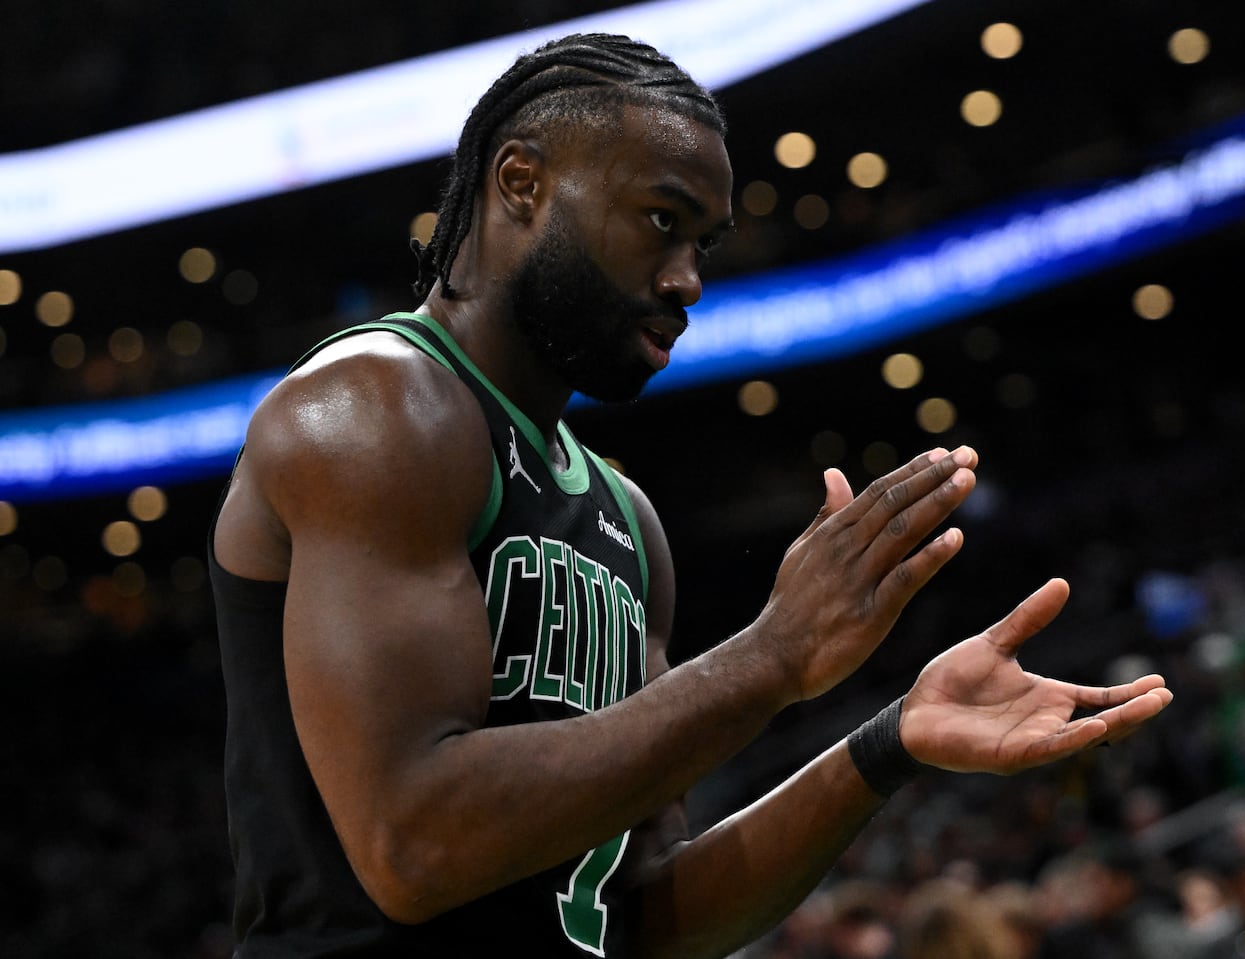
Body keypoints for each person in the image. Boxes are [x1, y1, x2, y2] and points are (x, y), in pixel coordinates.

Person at [209, 32, 1174, 957]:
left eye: (704, 243)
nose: (689, 281)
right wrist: (775, 654)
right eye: (662, 221)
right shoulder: (376, 407)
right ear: (521, 184)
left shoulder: (627, 521)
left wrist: (887, 745)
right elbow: (409, 846)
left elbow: (640, 918)